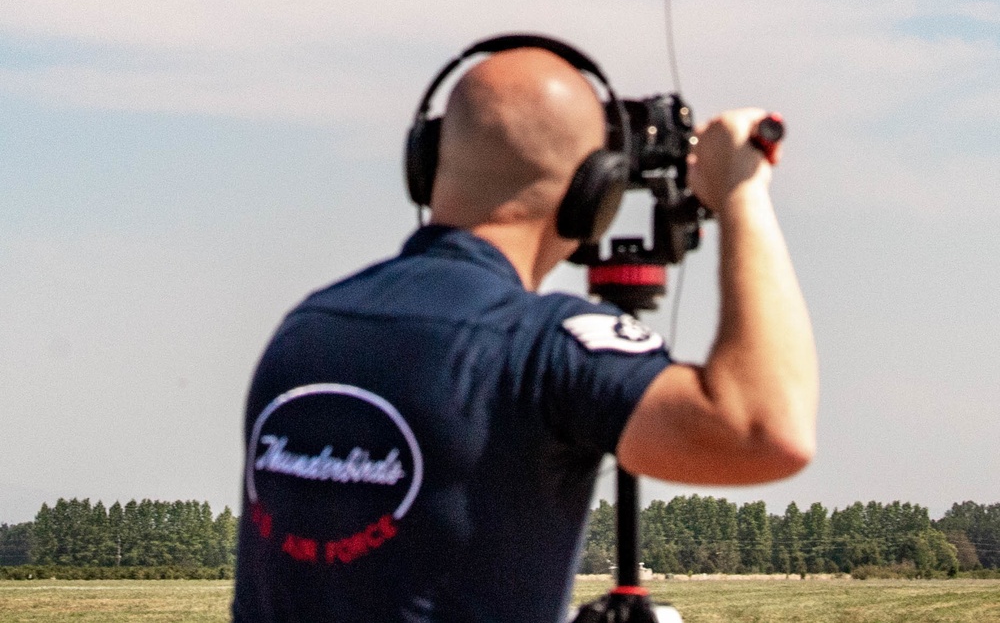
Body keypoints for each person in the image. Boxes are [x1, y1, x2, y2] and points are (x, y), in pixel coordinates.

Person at [232, 39, 817, 623]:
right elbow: (768, 430)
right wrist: (743, 191)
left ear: (428, 160)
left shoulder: (306, 329)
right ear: (595, 193)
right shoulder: (542, 347)